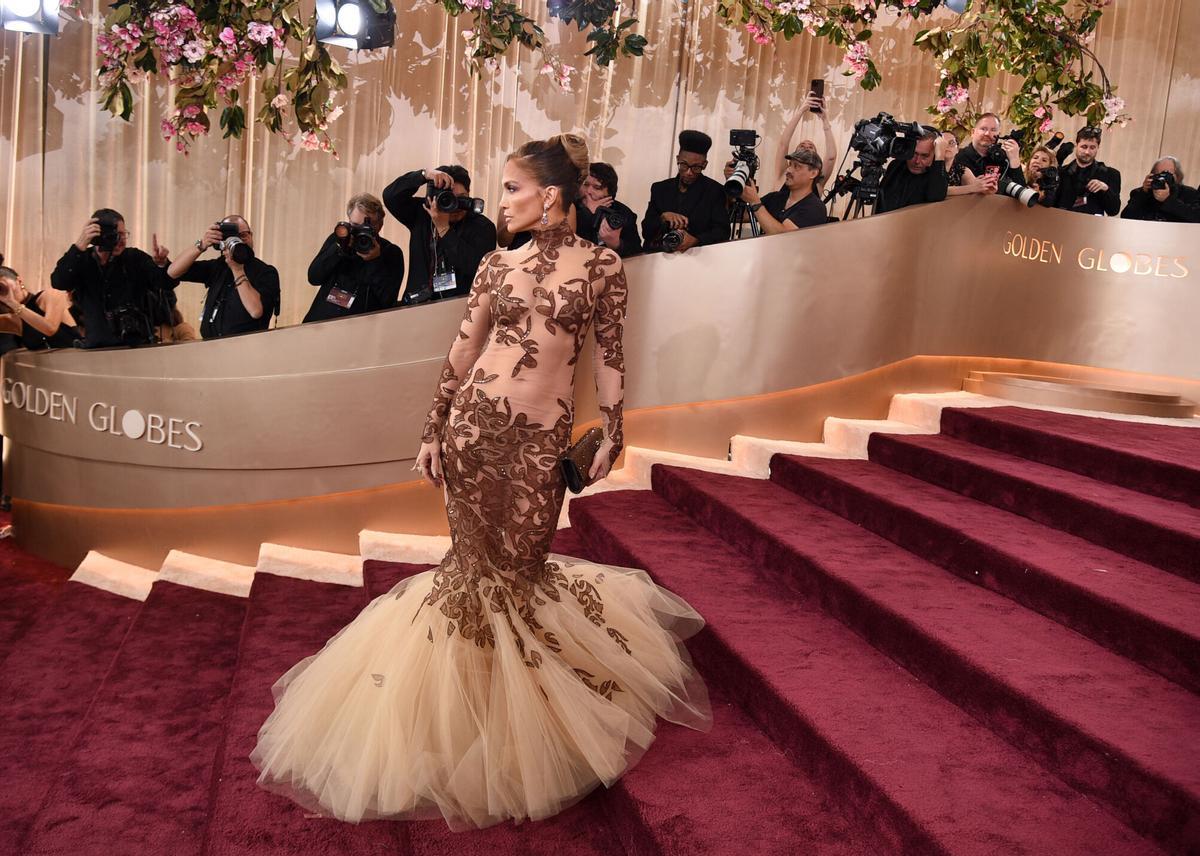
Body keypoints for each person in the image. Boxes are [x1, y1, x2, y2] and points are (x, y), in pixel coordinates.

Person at [252, 134, 710, 830]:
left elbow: (610, 356)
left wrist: (615, 426)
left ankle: (517, 724)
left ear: (548, 196)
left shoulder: (602, 267)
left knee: (519, 571)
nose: (500, 202)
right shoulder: (496, 264)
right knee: (472, 573)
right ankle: (463, 731)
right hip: (472, 432)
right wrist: (434, 428)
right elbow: (465, 348)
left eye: (510, 189)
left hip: (539, 443)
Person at [50, 209, 175, 348]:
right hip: (98, 348)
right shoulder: (81, 260)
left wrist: (162, 265)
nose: (121, 240)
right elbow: (58, 282)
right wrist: (79, 245)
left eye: (123, 234)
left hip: (136, 346)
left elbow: (167, 283)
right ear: (97, 236)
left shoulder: (134, 258)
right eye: (115, 235)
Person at [382, 164, 497, 304]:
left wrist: (444, 229)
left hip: (459, 307)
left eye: (461, 198)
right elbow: (390, 196)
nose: (455, 206)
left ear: (469, 193)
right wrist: (423, 175)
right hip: (417, 306)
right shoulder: (424, 213)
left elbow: (476, 268)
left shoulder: (482, 226)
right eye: (449, 198)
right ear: (436, 197)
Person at [167, 215, 280, 339]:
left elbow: (256, 311)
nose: (239, 241)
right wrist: (202, 244)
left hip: (246, 349)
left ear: (251, 236)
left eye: (243, 235)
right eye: (231, 237)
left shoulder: (266, 272)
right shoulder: (218, 266)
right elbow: (173, 271)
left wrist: (237, 269)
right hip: (210, 347)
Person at [303, 193, 406, 323]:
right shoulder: (338, 241)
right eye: (356, 225)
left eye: (368, 226)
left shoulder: (391, 253)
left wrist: (374, 261)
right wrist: (339, 248)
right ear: (349, 221)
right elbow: (314, 277)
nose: (361, 232)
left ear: (380, 225)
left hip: (361, 330)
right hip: (321, 323)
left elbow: (388, 301)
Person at [642, 130, 728, 252]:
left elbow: (722, 232)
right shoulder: (659, 188)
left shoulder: (714, 191)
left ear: (705, 165)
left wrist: (696, 240)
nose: (689, 172)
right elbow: (646, 231)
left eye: (696, 167)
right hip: (658, 256)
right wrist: (662, 217)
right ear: (677, 159)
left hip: (695, 259)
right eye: (683, 165)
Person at [738, 147, 828, 232]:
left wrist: (755, 203)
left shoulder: (815, 207)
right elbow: (742, 215)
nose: (789, 170)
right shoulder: (775, 198)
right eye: (790, 165)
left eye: (796, 166)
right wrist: (737, 183)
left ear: (813, 173)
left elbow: (784, 236)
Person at [0, 264, 81, 349]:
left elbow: (50, 329)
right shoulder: (13, 320)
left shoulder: (50, 295)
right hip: (45, 362)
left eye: (1, 286)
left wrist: (12, 303)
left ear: (19, 281)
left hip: (76, 359)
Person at [772, 90, 837, 195]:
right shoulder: (784, 173)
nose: (806, 147)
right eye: (802, 146)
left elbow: (831, 157)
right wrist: (801, 110)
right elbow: (783, 145)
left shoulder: (817, 181)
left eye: (811, 147)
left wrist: (825, 119)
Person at [575, 162, 642, 257]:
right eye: (585, 184)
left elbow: (636, 252)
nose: (588, 191)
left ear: (609, 194)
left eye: (597, 187)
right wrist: (587, 213)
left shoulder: (623, 212)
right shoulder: (570, 207)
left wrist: (616, 244)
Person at [876, 130, 952, 213]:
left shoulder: (935, 174)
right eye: (913, 154)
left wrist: (940, 156)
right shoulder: (897, 165)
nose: (917, 161)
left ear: (934, 155)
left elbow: (936, 195)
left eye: (924, 156)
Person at [1056, 127, 1121, 217]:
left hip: (1094, 228)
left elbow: (1113, 211)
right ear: (1076, 145)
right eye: (1084, 147)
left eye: (1092, 147)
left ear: (1098, 147)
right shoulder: (1061, 172)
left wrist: (1105, 189)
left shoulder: (1111, 174)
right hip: (1062, 224)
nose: (1087, 152)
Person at [953, 113, 1021, 196]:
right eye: (983, 129)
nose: (987, 133)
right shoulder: (957, 157)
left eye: (993, 130)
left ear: (998, 135)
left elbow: (1021, 193)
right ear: (973, 132)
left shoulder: (1003, 159)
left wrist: (1014, 159)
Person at [1121, 156, 1200, 223]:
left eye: (1167, 174)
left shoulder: (1189, 193)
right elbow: (1125, 217)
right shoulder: (1141, 192)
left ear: (1178, 177)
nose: (1162, 178)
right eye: (1158, 174)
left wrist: (1168, 200)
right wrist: (1143, 193)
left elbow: (1196, 218)